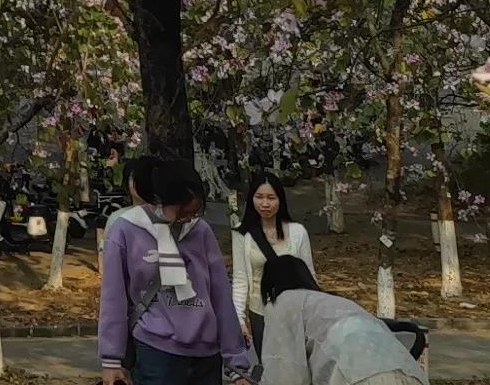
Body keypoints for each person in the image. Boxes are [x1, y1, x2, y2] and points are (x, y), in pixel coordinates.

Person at [100, 158, 251, 385]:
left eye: (196, 211)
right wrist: (111, 361)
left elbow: (221, 295)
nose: (190, 217)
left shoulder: (201, 232)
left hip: (206, 355)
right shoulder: (126, 229)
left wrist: (237, 363)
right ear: (163, 199)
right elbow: (113, 298)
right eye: (184, 211)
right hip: (156, 353)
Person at [255, 257, 419, 385]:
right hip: (409, 371)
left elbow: (285, 374)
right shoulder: (335, 302)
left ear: (271, 285)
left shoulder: (283, 302)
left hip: (356, 376)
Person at [232, 176, 311, 335]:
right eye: (259, 197)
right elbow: (240, 278)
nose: (265, 204)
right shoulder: (242, 233)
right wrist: (239, 319)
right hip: (260, 313)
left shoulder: (298, 232)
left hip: (294, 313)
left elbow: (309, 276)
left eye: (271, 198)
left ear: (280, 200)